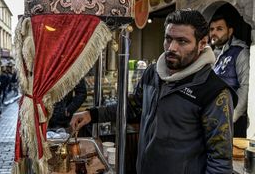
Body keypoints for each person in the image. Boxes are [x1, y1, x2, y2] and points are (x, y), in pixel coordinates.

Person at [70, 9, 236, 174]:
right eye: (168, 39)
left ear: (202, 43)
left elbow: (220, 160)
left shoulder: (214, 92)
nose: (172, 47)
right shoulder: (153, 73)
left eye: (182, 41)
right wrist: (92, 114)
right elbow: (133, 106)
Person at [209, 14, 250, 137]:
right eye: (211, 29)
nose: (214, 33)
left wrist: (232, 117)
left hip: (232, 121)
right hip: (210, 118)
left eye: (219, 29)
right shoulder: (207, 52)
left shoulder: (240, 52)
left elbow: (246, 86)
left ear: (230, 31)